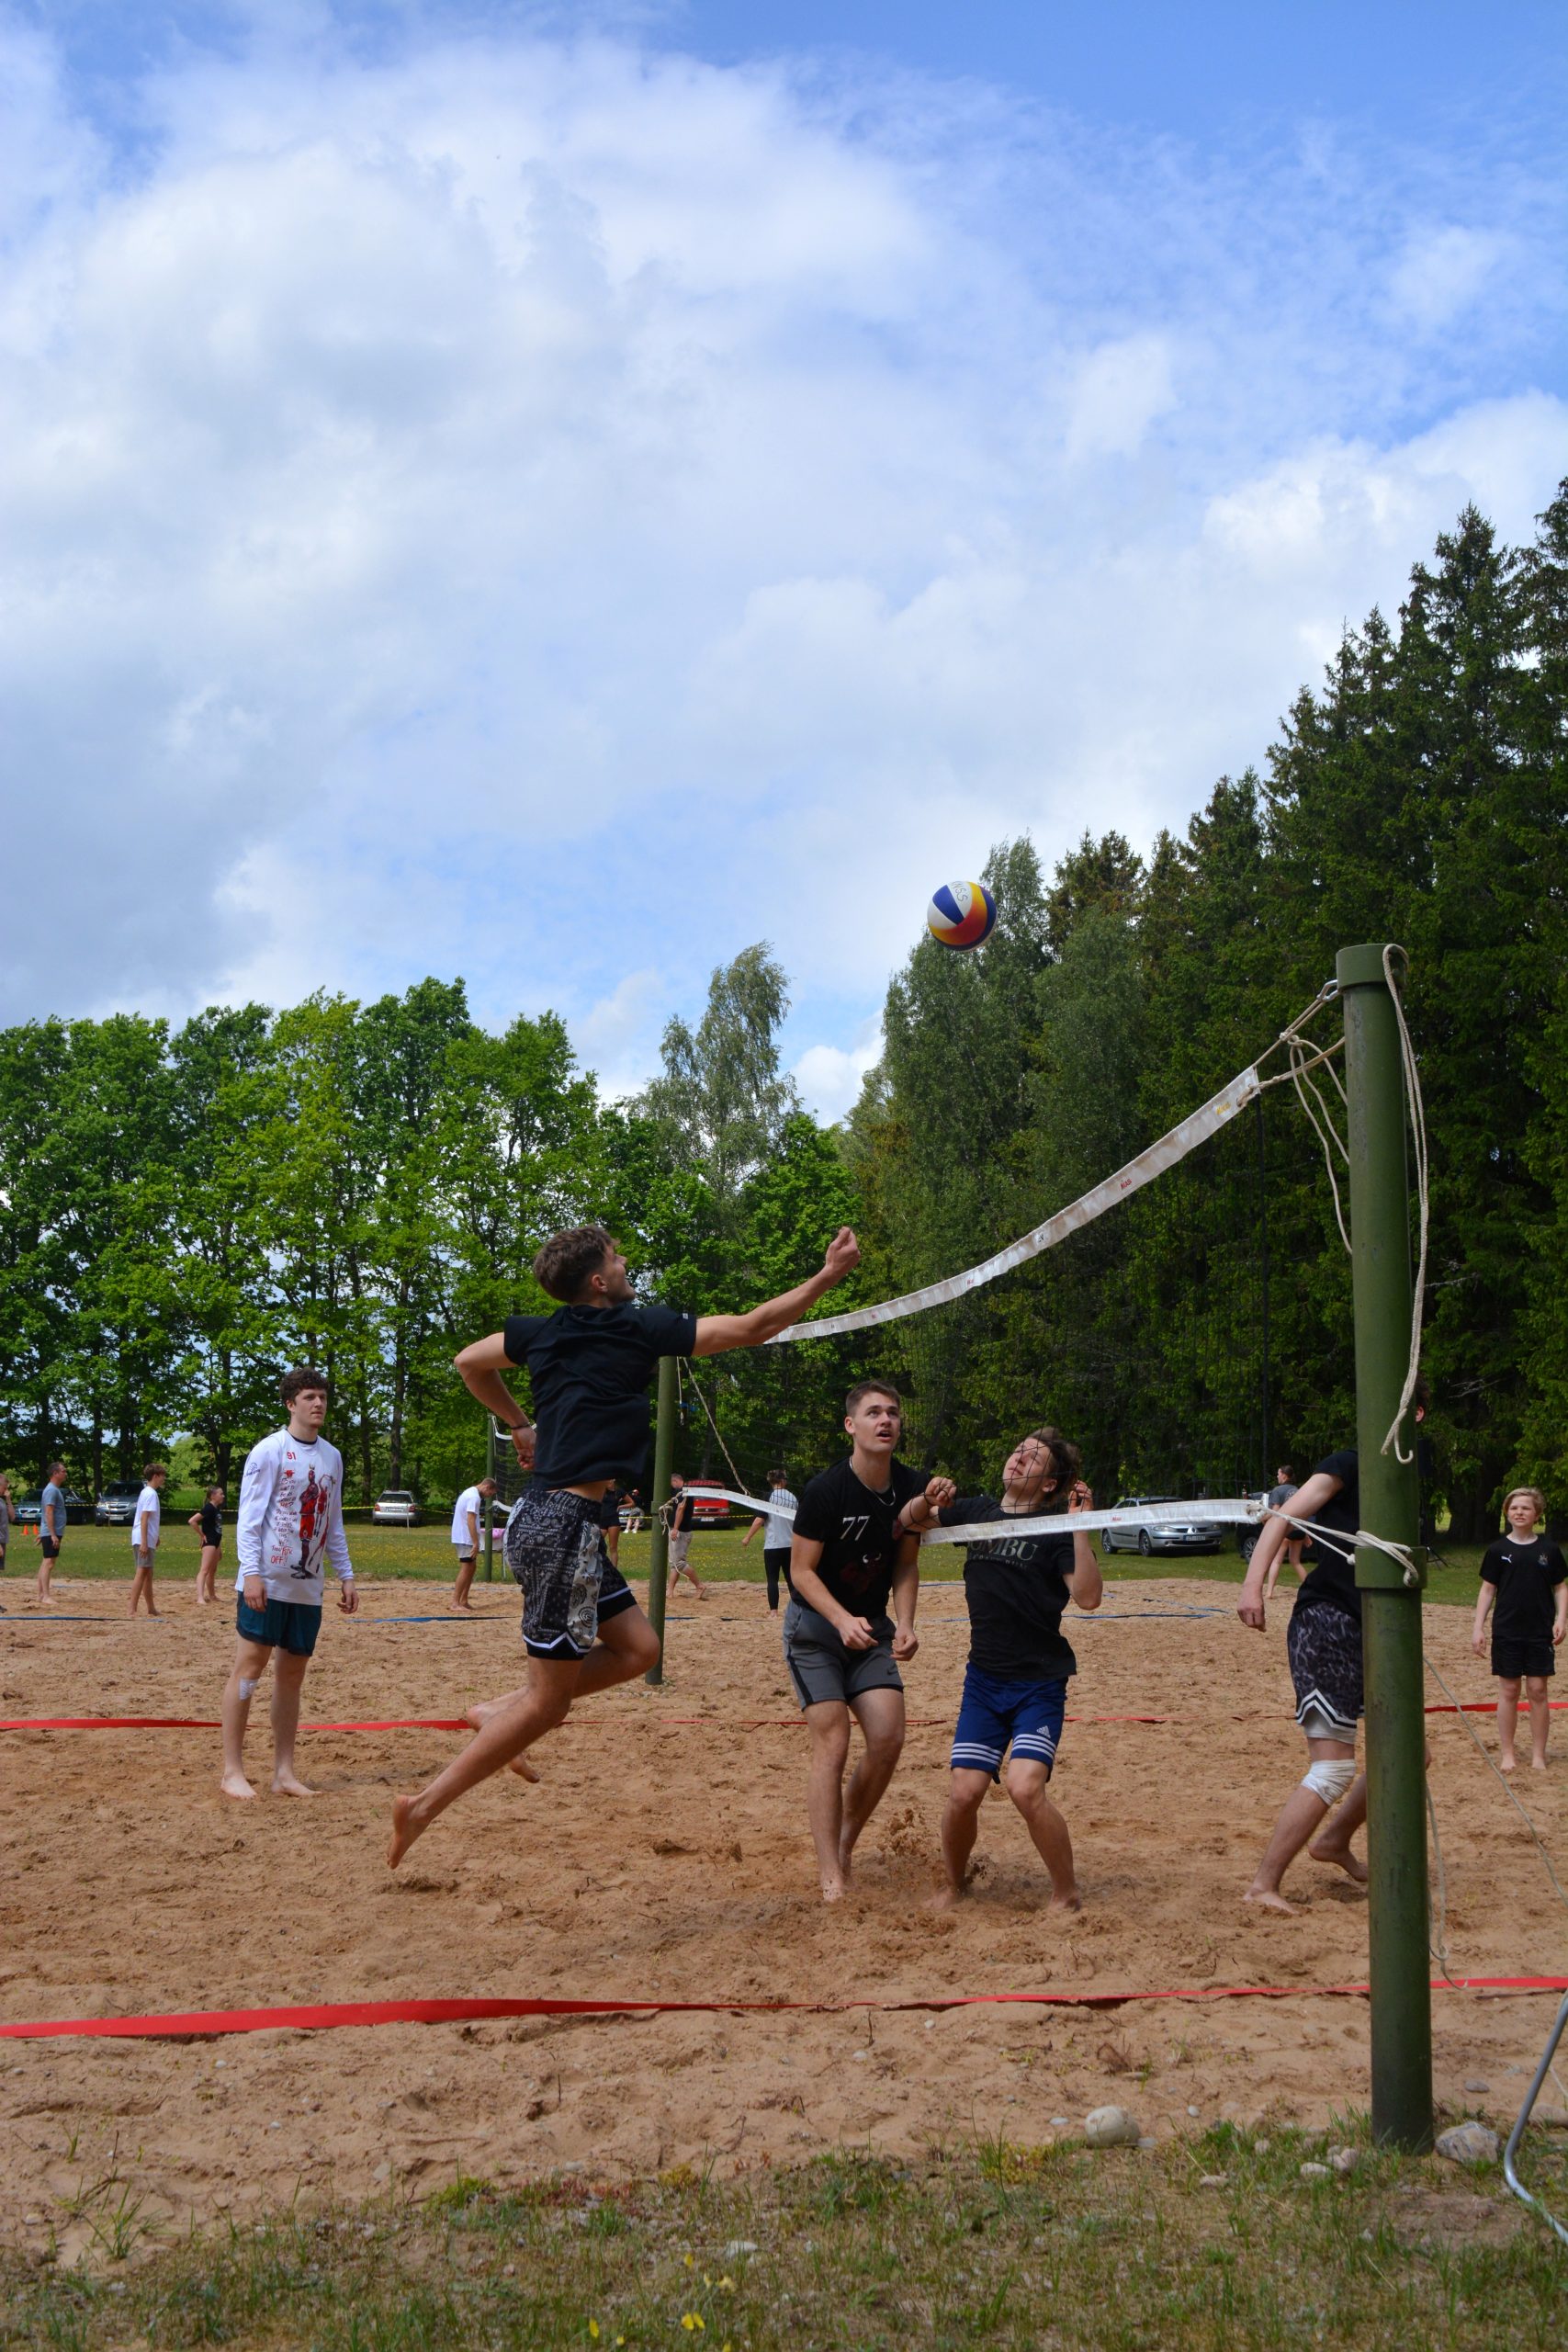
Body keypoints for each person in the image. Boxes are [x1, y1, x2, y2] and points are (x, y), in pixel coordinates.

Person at [387, 1219, 861, 1867]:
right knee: (548, 1704)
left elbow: (469, 1362)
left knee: (639, 1649)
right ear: (598, 1281)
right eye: (616, 1256)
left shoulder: (541, 1331)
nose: (626, 1260)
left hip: (553, 1521)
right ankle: (421, 1806)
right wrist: (827, 1276)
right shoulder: (635, 1326)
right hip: (562, 1527)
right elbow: (754, 1326)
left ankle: (498, 1709)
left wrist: (519, 1424)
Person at [1236, 1407, 1426, 1914]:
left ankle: (1334, 1839)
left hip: (1378, 1629)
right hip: (1328, 1620)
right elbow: (1283, 1516)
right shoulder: (1348, 1462)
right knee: (1333, 1768)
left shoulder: (1407, 1478)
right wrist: (1252, 1585)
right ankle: (1263, 1885)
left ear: (1417, 1413)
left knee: (1412, 1754)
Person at [904, 1430, 1100, 1914]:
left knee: (1025, 1788)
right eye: (1018, 1450)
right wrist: (928, 1498)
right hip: (985, 1682)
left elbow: (1089, 1597)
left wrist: (1081, 1524)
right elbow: (911, 1524)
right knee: (963, 1793)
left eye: (1033, 1458)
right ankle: (954, 1886)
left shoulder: (1056, 1530)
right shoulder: (977, 1511)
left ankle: (1066, 1895)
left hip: (1039, 1684)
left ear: (1050, 1483)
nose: (1019, 1459)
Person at [785, 1380, 953, 1903]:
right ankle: (830, 1874)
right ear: (850, 1425)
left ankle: (844, 1841)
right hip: (816, 1630)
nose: (886, 1420)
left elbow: (906, 1564)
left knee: (887, 1739)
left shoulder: (912, 1486)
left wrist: (906, 1623)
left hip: (872, 1629)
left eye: (893, 1413)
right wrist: (840, 1620)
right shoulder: (825, 1490)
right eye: (874, 1412)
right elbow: (800, 1572)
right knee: (833, 1742)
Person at [220, 1367, 357, 1801]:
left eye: (322, 1397)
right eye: (309, 1397)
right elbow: (249, 1520)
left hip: (307, 1588)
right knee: (249, 1669)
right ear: (290, 1404)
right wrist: (251, 1573)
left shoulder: (332, 1457)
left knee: (292, 1676)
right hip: (266, 1582)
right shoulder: (269, 1451)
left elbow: (333, 1522)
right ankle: (232, 1771)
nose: (318, 1404)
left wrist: (346, 1575)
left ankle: (284, 1773)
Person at [1472, 1487, 1566, 1771]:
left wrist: (1561, 1619)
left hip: (1539, 1630)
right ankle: (1508, 1754)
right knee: (1510, 1690)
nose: (1519, 1512)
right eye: (1514, 1508)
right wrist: (1478, 1627)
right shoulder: (1497, 1550)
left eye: (1526, 1508)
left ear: (1537, 1514)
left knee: (1538, 1690)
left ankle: (1538, 1754)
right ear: (1507, 1513)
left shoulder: (1549, 1550)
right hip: (1507, 1630)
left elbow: (1560, 1587)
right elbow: (1488, 1590)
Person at [742, 1468, 797, 1612]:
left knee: (772, 1580)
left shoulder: (768, 1496)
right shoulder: (792, 1497)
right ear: (783, 1480)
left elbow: (760, 1520)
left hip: (773, 1545)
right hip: (790, 1545)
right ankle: (797, 1609)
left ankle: (773, 1612)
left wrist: (748, 1537)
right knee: (792, 1580)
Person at [449, 1476, 498, 1611]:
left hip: (466, 1537)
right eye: (490, 1493)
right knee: (466, 1568)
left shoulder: (471, 1492)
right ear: (487, 1487)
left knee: (472, 1567)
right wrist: (476, 1543)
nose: (489, 1496)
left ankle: (464, 1601)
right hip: (465, 1537)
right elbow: (470, 1520)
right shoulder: (474, 1497)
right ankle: (455, 1603)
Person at [129, 1463, 167, 1618]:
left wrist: (155, 1537)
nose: (164, 1479)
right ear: (155, 1476)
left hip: (145, 1537)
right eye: (162, 1476)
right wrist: (144, 1542)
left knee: (148, 1573)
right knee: (141, 1572)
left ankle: (151, 1608)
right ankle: (132, 1609)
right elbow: (144, 1518)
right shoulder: (150, 1493)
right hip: (142, 1538)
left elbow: (149, 1520)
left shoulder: (147, 1492)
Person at [666, 1472, 705, 1598]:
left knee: (679, 1563)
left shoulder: (683, 1492)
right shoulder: (683, 1492)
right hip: (680, 1531)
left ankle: (699, 1586)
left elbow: (680, 1509)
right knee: (674, 1564)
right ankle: (670, 1591)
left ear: (675, 1481)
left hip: (681, 1532)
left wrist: (675, 1529)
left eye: (671, 1484)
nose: (671, 1486)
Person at [34, 1461, 67, 1603]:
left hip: (50, 1531)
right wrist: (52, 1534)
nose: (65, 1473)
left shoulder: (53, 1489)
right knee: (49, 1563)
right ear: (55, 1473)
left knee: (46, 1562)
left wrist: (44, 1532)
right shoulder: (52, 1490)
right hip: (52, 1532)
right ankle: (46, 1596)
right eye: (63, 1471)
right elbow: (48, 1512)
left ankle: (41, 1594)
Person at [1267, 1463, 1305, 1581]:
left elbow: (1275, 1512)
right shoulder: (1298, 1490)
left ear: (1284, 1476)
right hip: (1299, 1529)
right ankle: (1309, 1586)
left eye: (1278, 1473)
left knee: (1276, 1561)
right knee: (1295, 1561)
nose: (1277, 1476)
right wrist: (1306, 1534)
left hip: (1286, 1529)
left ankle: (1269, 1590)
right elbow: (1302, 1512)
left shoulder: (1277, 1490)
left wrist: (1261, 1518)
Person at [188, 1485, 225, 1603]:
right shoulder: (208, 1508)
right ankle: (200, 1597)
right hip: (209, 1542)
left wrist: (219, 1547)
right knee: (204, 1570)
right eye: (221, 1494)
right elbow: (192, 1521)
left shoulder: (216, 1509)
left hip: (216, 1542)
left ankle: (212, 1596)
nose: (223, 1496)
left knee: (212, 1571)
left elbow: (217, 1529)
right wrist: (202, 1535)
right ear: (213, 1496)